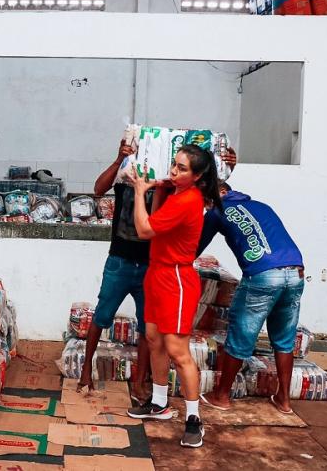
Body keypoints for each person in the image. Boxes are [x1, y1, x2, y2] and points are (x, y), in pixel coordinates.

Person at [125, 145, 223, 449]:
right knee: (153, 339)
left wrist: (139, 191)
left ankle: (194, 419)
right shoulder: (176, 193)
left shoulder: (189, 199)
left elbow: (144, 229)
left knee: (178, 351)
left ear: (197, 176)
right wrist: (158, 189)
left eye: (182, 168)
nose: (173, 171)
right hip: (157, 273)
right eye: (174, 164)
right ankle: (159, 403)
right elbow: (157, 220)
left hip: (177, 279)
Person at [199, 183, 304, 415]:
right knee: (284, 338)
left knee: (241, 335)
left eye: (205, 201)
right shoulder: (262, 206)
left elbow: (194, 247)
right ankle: (284, 400)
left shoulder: (216, 210)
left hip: (262, 275)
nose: (205, 207)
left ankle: (221, 396)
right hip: (296, 271)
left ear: (220, 193)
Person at [76, 137, 152, 403]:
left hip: (149, 265)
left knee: (147, 326)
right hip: (119, 260)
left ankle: (139, 382)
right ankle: (86, 370)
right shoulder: (125, 175)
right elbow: (98, 188)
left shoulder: (163, 182)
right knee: (102, 316)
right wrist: (120, 158)